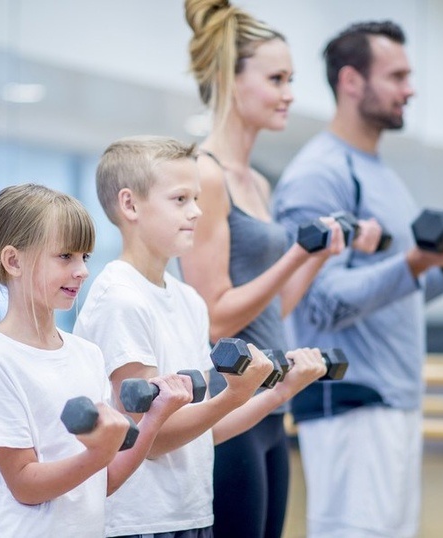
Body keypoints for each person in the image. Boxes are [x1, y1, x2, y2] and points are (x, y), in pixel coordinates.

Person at [272, 21, 443, 537]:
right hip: (351, 397)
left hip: (394, 397)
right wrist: (416, 263)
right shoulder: (321, 174)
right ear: (351, 82)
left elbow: (401, 292)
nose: (411, 89)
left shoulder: (381, 173)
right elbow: (324, 304)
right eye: (397, 76)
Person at [178, 2, 386, 537]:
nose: (290, 92)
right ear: (229, 79)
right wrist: (297, 252)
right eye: (276, 79)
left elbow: (274, 307)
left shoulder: (258, 182)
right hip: (230, 405)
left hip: (270, 406)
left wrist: (318, 255)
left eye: (291, 78)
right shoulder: (206, 174)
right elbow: (216, 318)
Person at [74, 135, 329, 538]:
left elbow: (204, 430)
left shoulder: (189, 300)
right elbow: (151, 439)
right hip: (139, 525)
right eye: (179, 200)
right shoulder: (120, 299)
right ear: (130, 205)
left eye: (196, 198)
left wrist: (279, 392)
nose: (196, 212)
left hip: (191, 516)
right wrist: (233, 394)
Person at [0, 183, 192, 538]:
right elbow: (25, 484)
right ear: (13, 260)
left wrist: (155, 418)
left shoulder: (86, 354)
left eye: (84, 257)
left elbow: (106, 481)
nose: (83, 270)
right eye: (65, 256)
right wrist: (97, 455)